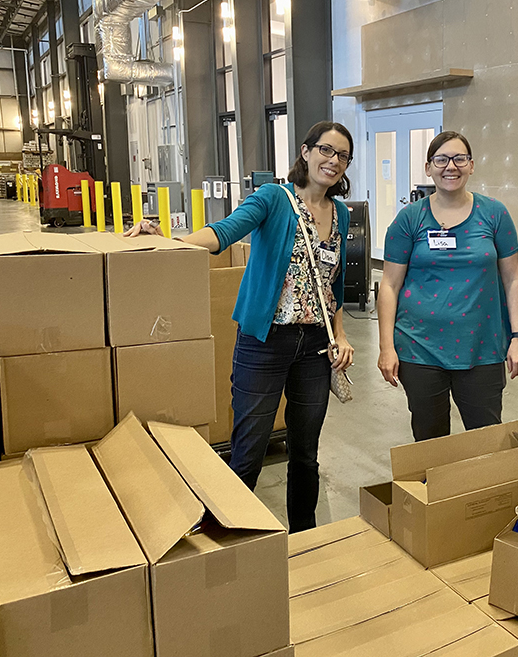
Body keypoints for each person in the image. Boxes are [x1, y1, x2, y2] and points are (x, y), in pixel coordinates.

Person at [126, 120, 355, 533]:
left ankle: (304, 536)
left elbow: (332, 283)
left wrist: (340, 334)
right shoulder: (273, 198)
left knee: (306, 451)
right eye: (325, 150)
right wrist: (168, 241)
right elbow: (224, 233)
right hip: (264, 343)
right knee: (249, 448)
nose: (333, 161)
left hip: (315, 348)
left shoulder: (340, 212)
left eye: (342, 156)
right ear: (305, 152)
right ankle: (229, 537)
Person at [377, 130, 518, 441]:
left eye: (460, 158)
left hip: (482, 348)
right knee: (430, 442)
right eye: (441, 159)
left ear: (471, 165)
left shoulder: (494, 214)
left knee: (487, 440)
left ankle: (483, 492)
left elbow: (512, 278)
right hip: (418, 348)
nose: (451, 166)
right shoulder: (409, 220)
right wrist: (386, 347)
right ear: (428, 167)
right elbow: (389, 285)